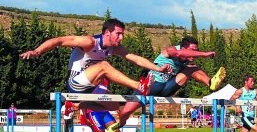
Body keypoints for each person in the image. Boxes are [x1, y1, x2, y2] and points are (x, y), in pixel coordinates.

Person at [19, 18, 170, 112]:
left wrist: (158, 68)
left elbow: (136, 59)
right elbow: (59, 40)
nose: (121, 37)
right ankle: (139, 86)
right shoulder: (89, 42)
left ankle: (76, 106)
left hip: (92, 86)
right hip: (75, 82)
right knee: (104, 65)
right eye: (119, 34)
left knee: (113, 106)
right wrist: (37, 51)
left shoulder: (114, 48)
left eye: (122, 34)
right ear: (107, 33)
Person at [116, 36, 226, 131]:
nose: (195, 54)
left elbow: (190, 66)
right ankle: (118, 124)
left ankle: (211, 83)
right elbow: (179, 53)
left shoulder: (187, 61)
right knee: (125, 113)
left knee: (192, 68)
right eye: (193, 50)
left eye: (196, 50)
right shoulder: (171, 50)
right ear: (183, 48)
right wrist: (204, 54)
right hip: (150, 87)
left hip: (167, 88)